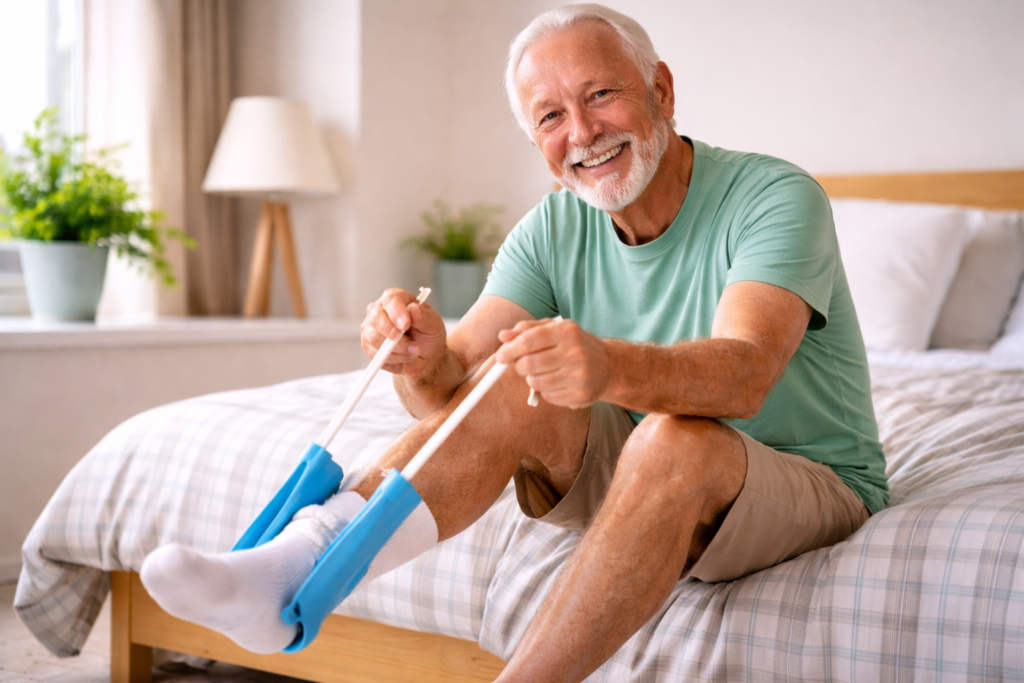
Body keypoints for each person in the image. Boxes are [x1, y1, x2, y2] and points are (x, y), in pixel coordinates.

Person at [141, 5, 888, 681]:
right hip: (633, 465)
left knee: (676, 442)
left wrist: (605, 364)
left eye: (601, 95)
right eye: (551, 116)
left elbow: (745, 376)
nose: (584, 133)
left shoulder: (775, 197)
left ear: (661, 89)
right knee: (507, 378)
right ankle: (291, 568)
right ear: (533, 138)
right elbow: (448, 400)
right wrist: (421, 352)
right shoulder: (554, 226)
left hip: (805, 477)